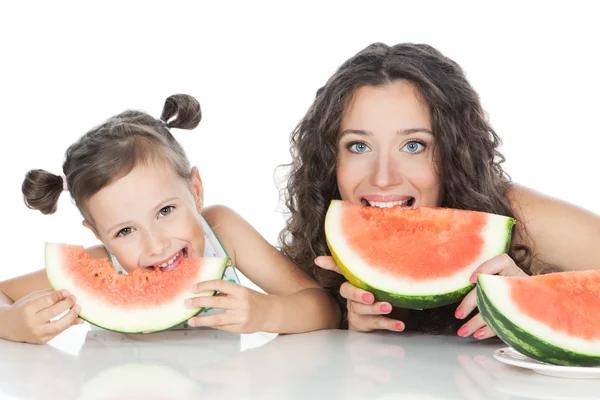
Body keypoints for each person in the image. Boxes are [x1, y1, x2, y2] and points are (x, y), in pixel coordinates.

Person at [278, 42, 600, 339]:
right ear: (330, 160)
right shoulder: (320, 248)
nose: (383, 178)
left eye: (413, 145)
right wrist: (350, 328)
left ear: (452, 154)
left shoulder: (516, 217)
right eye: (359, 146)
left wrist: (533, 302)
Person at [0, 94, 340, 344]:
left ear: (195, 190)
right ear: (99, 235)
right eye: (125, 231)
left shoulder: (222, 232)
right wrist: (10, 323)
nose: (156, 243)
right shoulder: (99, 263)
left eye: (165, 211)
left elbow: (323, 307)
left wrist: (266, 312)